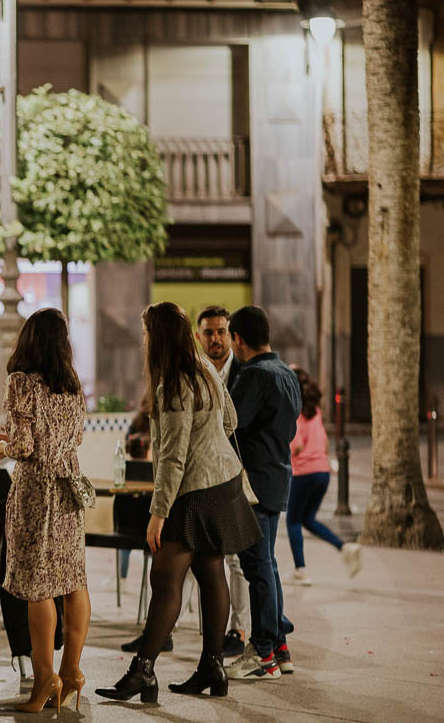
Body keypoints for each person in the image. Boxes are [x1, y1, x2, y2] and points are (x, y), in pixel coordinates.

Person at [97, 302, 262, 705]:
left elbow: (173, 456)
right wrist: (208, 441)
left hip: (195, 490)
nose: (144, 340)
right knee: (210, 571)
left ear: (158, 337)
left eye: (147, 333)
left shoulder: (172, 382)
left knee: (166, 579)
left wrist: (158, 513)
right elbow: (231, 422)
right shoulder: (204, 367)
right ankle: (212, 666)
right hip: (223, 481)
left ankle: (143, 672)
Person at [0, 308, 90, 713]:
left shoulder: (20, 381)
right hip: (69, 487)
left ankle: (45, 679)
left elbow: (26, 446)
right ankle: (72, 670)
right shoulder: (72, 383)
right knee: (73, 579)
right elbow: (74, 437)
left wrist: (2, 447)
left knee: (37, 583)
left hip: (36, 491)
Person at [224, 305, 301, 681]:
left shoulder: (254, 375)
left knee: (257, 568)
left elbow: (230, 424)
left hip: (254, 483)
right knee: (267, 565)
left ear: (238, 339)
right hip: (277, 476)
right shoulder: (286, 372)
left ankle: (263, 652)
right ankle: (280, 648)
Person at [197, 305, 251, 658]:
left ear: (231, 335)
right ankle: (166, 628)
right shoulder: (196, 373)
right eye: (209, 332)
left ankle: (239, 628)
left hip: (236, 477)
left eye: (221, 331)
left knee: (235, 559)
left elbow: (236, 424)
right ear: (199, 336)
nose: (215, 338)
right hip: (204, 480)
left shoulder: (245, 374)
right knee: (200, 557)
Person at [286, 368, 362, 585]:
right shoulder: (315, 411)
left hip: (304, 472)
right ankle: (345, 547)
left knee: (292, 521)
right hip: (322, 472)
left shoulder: (295, 412)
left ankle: (300, 569)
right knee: (307, 519)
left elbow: (297, 445)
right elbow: (326, 443)